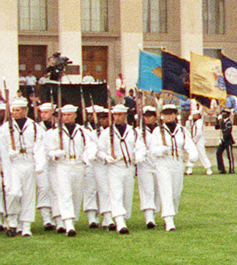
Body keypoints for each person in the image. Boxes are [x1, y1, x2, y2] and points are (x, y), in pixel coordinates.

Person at [37, 104, 92, 236]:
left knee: (76, 194)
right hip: (63, 165)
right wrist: (55, 153)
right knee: (64, 194)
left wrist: (87, 156)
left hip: (78, 164)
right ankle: (68, 224)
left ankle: (72, 219)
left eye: (69, 115)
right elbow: (47, 150)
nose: (66, 118)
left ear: (74, 115)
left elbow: (91, 146)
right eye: (64, 115)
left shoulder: (83, 131)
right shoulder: (55, 133)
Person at [143, 102, 194, 231]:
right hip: (163, 164)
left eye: (171, 114)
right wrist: (161, 150)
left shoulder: (181, 130)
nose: (168, 117)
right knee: (166, 190)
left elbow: (188, 144)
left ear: (175, 115)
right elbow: (153, 150)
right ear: (162, 116)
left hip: (177, 163)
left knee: (175, 193)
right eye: (166, 114)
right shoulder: (157, 131)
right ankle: (168, 219)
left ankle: (172, 213)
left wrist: (193, 156)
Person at [92, 105, 142, 234]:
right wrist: (106, 157)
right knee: (116, 193)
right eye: (115, 115)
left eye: (120, 115)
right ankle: (120, 222)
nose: (117, 117)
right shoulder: (106, 133)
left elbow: (140, 147)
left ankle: (123, 217)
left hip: (128, 166)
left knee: (127, 194)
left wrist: (138, 156)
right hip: (114, 166)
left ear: (125, 116)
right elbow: (99, 151)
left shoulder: (134, 132)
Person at [1, 98, 43, 237]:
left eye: (17, 110)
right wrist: (8, 154)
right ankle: (12, 220)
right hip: (13, 164)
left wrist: (39, 163)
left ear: (25, 110)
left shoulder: (35, 126)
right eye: (12, 110)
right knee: (13, 192)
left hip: (28, 162)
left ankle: (25, 225)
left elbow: (39, 146)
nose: (14, 113)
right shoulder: (5, 127)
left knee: (28, 194)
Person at [188, 108, 214, 175]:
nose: (193, 116)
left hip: (198, 141)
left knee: (202, 154)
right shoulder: (194, 122)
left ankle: (208, 169)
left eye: (194, 115)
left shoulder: (199, 122)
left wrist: (194, 140)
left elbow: (198, 133)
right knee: (192, 154)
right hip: (194, 140)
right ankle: (189, 169)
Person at [216, 107, 236, 174]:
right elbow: (216, 127)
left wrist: (222, 139)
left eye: (224, 113)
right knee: (218, 153)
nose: (222, 114)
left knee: (229, 155)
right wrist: (217, 120)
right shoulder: (222, 121)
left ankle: (232, 169)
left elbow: (228, 132)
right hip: (223, 141)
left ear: (228, 114)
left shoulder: (228, 122)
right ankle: (221, 169)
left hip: (227, 141)